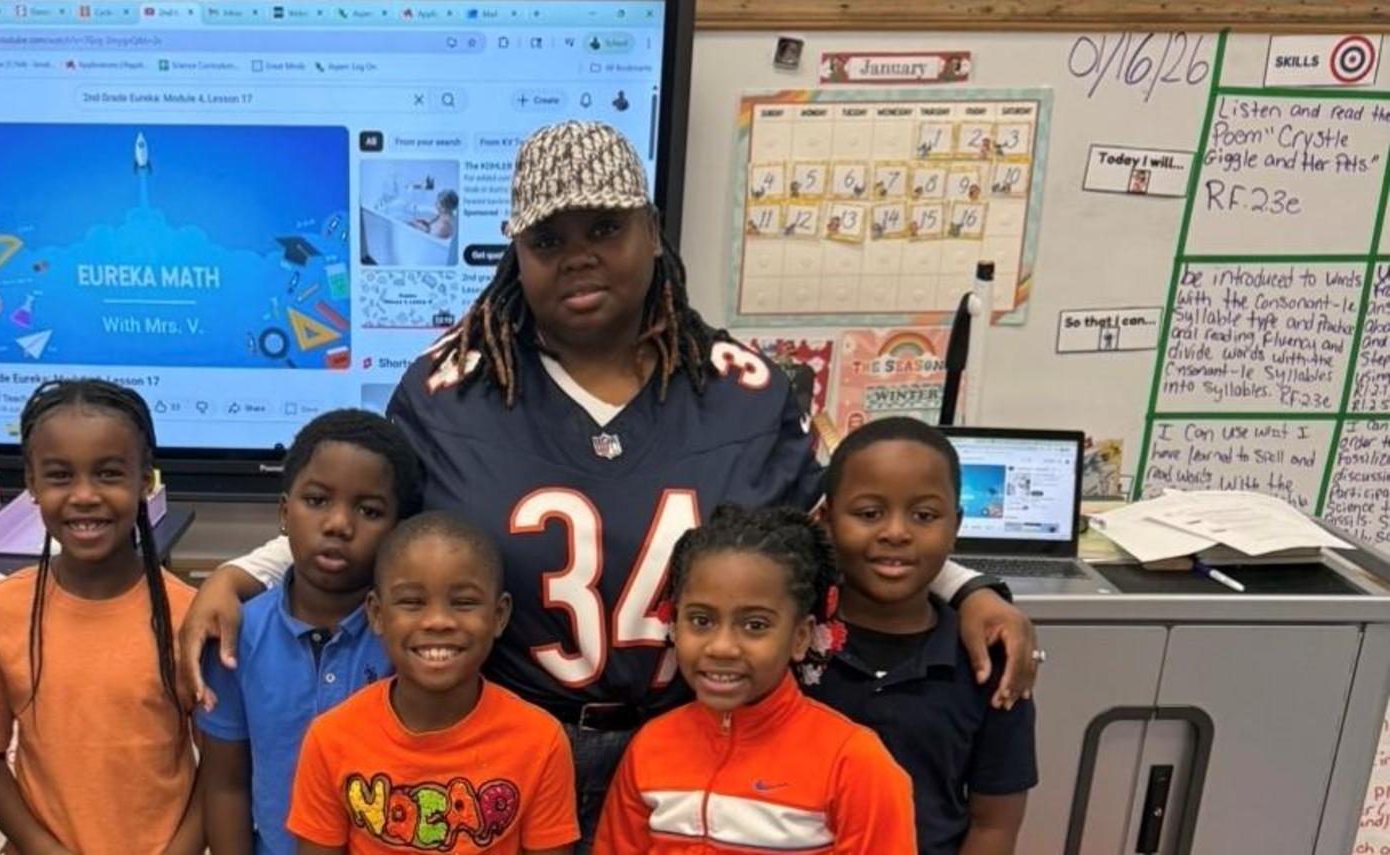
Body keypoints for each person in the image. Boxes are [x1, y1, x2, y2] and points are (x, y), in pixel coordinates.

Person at [181, 120, 1038, 841]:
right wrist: (245, 572)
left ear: (652, 231)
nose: (578, 257)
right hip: (509, 746)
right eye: (548, 240)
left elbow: (830, 527)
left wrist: (965, 587)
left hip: (692, 742)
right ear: (515, 253)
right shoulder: (449, 391)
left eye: (604, 228)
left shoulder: (742, 389)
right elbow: (371, 515)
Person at [593, 505, 916, 853]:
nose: (722, 647)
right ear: (674, 622)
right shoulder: (650, 747)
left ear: (800, 637)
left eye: (755, 625)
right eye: (701, 620)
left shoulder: (853, 762)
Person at [0, 379, 203, 854]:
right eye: (60, 476)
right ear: (32, 483)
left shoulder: (190, 616)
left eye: (109, 474)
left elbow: (223, 766)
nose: (84, 495)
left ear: (145, 481)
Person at [196, 410, 423, 855]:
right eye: (317, 500)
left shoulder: (409, 638)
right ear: (284, 513)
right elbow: (225, 785)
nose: (338, 524)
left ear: (397, 529)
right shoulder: (237, 635)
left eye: (369, 510)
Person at [288, 512, 580, 854]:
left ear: (499, 615)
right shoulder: (331, 739)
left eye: (464, 603)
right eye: (412, 602)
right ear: (377, 614)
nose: (438, 621)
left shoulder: (540, 741)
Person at [810, 418, 1036, 854]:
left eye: (924, 516)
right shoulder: (787, 645)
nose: (896, 532)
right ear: (827, 521)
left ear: (956, 525)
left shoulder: (989, 664)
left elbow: (994, 825)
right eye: (869, 513)